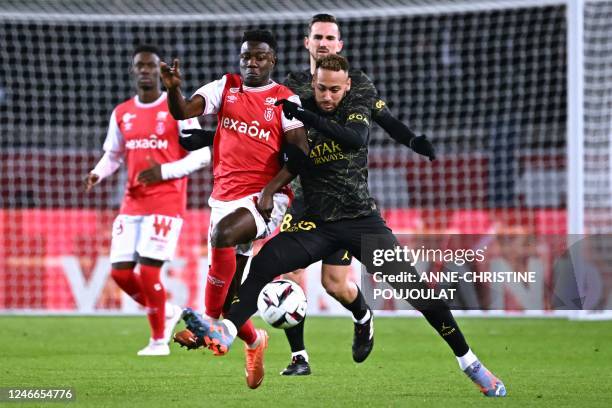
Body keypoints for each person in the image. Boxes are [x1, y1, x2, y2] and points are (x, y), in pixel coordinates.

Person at [180, 54, 506, 397]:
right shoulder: (293, 103)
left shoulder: (355, 105)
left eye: (334, 89)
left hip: (359, 221)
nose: (327, 96)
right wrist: (205, 139)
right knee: (264, 265)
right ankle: (227, 331)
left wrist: (309, 116)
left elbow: (354, 139)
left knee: (416, 289)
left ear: (346, 86)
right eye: (321, 88)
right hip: (314, 223)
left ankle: (470, 362)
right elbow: (260, 139)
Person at [160, 29, 308, 389]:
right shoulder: (225, 87)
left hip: (263, 198)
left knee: (221, 234)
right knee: (232, 303)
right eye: (246, 57)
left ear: (272, 60)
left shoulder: (286, 100)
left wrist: (272, 191)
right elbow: (182, 111)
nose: (252, 63)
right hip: (223, 197)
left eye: (259, 57)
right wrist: (173, 88)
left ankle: (208, 325)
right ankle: (256, 341)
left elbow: (301, 155)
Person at [85, 45, 211, 356]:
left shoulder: (176, 109)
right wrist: (98, 173)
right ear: (133, 71)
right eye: (139, 66)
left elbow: (203, 154)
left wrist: (164, 171)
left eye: (150, 66)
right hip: (132, 202)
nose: (144, 70)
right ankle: (167, 310)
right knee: (120, 273)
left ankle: (158, 342)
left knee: (149, 272)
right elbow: (113, 155)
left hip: (166, 202)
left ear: (159, 71)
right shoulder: (122, 113)